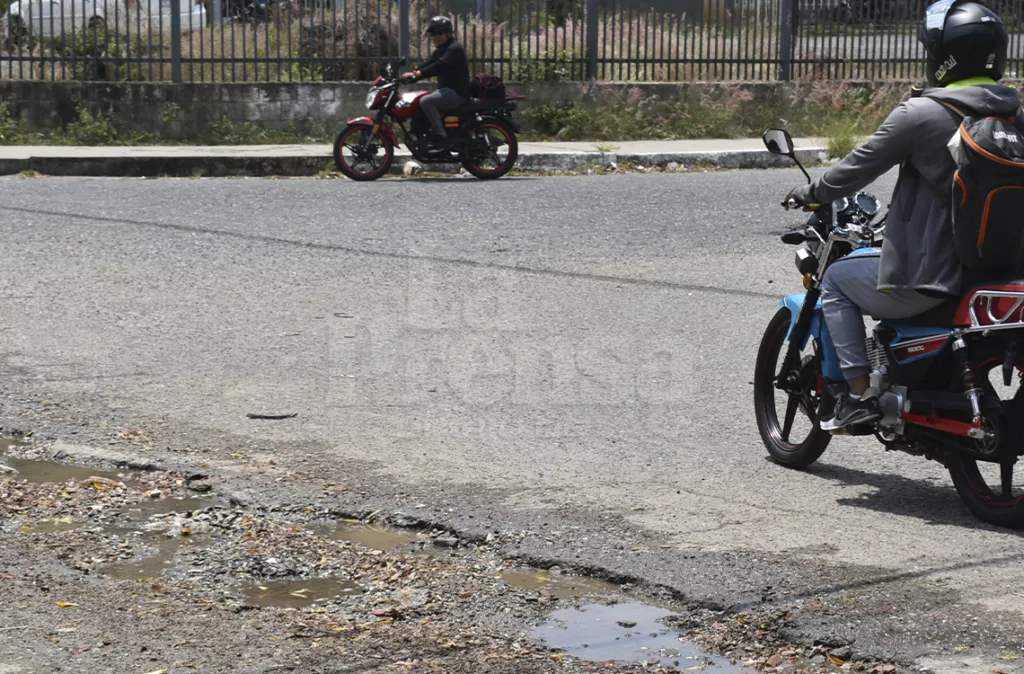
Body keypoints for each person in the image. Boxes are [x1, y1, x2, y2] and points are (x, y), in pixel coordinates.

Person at [787, 0, 1020, 431]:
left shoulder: (923, 113)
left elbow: (856, 168)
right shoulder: (1015, 114)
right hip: (997, 272)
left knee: (837, 279)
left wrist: (811, 193)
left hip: (933, 276)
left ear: (941, 56)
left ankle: (856, 395)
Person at [400, 16, 470, 151]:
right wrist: (413, 75)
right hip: (446, 91)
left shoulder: (454, 49)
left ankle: (441, 137)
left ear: (448, 33)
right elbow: (429, 64)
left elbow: (440, 66)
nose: (436, 36)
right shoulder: (441, 49)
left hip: (457, 93)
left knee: (426, 101)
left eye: (439, 33)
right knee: (419, 100)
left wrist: (419, 74)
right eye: (433, 33)